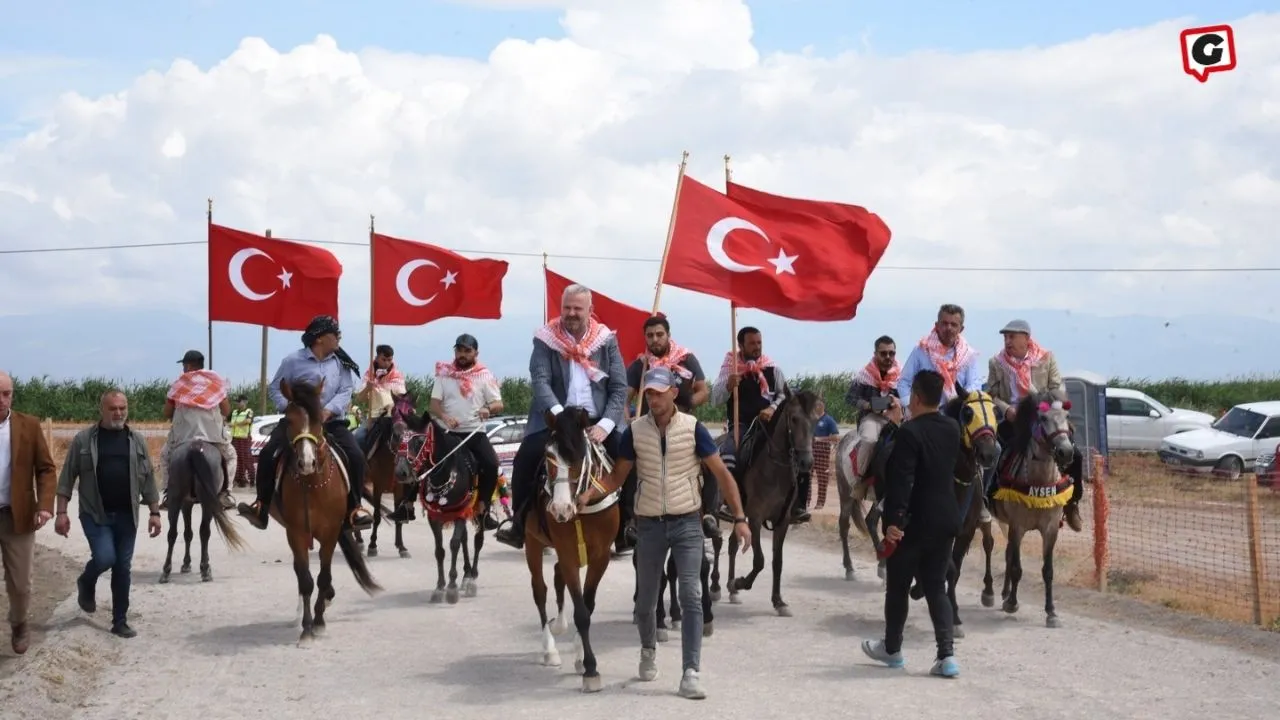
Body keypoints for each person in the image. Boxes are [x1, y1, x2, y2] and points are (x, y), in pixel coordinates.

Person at [576, 367, 751, 700]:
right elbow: (616, 478)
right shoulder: (634, 432)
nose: (654, 398)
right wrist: (589, 494)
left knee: (689, 593)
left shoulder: (694, 429)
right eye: (650, 393)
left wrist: (740, 518)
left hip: (687, 522)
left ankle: (690, 672)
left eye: (659, 392)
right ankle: (647, 649)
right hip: (650, 524)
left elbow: (722, 476)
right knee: (645, 602)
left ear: (673, 393)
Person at [494, 284, 628, 550]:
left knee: (629, 458)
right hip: (555, 417)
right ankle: (519, 525)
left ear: (591, 310)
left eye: (578, 308)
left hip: (597, 420)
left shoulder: (607, 340)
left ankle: (628, 527)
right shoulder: (545, 339)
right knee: (525, 459)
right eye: (566, 307)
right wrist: (559, 419)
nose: (571, 313)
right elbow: (540, 381)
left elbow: (619, 387)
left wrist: (605, 425)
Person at [860, 369, 962, 678]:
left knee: (898, 586)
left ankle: (893, 650)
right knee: (936, 587)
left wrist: (893, 521)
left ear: (915, 398)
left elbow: (903, 480)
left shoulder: (909, 433)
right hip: (946, 518)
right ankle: (946, 657)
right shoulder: (953, 428)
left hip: (913, 522)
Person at [237, 315, 374, 531]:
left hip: (331, 421)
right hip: (298, 422)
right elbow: (275, 388)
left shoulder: (341, 362)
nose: (339, 338)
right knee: (268, 453)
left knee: (356, 456)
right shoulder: (292, 361)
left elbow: (346, 390)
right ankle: (261, 507)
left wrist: (328, 411)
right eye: (334, 334)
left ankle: (354, 509)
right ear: (319, 338)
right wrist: (291, 409)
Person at [55, 389, 163, 639]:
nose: (118, 413)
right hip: (95, 513)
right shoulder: (84, 440)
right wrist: (61, 512)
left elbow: (148, 480)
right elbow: (66, 478)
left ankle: (119, 621)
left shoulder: (137, 441)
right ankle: (87, 580)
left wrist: (155, 513)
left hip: (128, 515)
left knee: (123, 567)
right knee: (105, 558)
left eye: (122, 408)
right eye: (113, 408)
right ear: (102, 410)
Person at [625, 314, 718, 540]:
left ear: (668, 335)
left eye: (659, 334)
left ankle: (709, 514)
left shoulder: (686, 359)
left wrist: (684, 404)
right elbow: (624, 398)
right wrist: (628, 417)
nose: (655, 339)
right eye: (650, 336)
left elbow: (703, 391)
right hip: (650, 426)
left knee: (712, 464)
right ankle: (630, 521)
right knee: (627, 466)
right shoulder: (640, 365)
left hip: (684, 425)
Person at [984, 319, 1083, 531]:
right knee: (997, 452)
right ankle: (989, 499)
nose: (1007, 341)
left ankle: (1072, 503)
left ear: (1026, 339)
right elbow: (991, 394)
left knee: (1075, 453)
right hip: (1012, 419)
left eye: (1012, 337)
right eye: (1005, 337)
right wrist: (1006, 409)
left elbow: (1057, 389)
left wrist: (1039, 401)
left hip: (1044, 417)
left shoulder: (1046, 358)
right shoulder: (996, 362)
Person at [709, 326, 808, 523]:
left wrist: (772, 408)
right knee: (730, 452)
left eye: (759, 343)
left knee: (801, 452)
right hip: (742, 425)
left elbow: (783, 394)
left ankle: (798, 505)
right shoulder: (731, 369)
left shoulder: (772, 368)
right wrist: (729, 385)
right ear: (740, 346)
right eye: (752, 343)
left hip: (771, 425)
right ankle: (730, 503)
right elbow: (714, 400)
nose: (757, 347)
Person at [411, 333, 503, 523]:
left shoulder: (485, 376)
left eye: (467, 351)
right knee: (418, 457)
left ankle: (483, 509)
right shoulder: (444, 374)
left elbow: (498, 404)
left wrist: (488, 409)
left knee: (491, 464)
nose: (462, 354)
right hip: (447, 433)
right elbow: (434, 404)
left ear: (476, 352)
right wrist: (444, 416)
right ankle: (406, 503)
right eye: (459, 350)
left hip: (474, 432)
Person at [0, 370, 58, 654]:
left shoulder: (29, 426)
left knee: (21, 584)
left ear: (12, 395)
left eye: (6, 393)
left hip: (17, 516)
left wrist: (45, 505)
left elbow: (46, 468)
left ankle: (20, 623)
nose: (1, 399)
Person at [159, 350, 236, 511]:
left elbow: (167, 413)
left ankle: (169, 493)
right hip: (212, 437)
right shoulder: (215, 382)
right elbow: (226, 411)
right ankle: (225, 494)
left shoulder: (179, 384)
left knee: (165, 456)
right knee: (230, 456)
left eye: (184, 366)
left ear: (188, 365)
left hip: (183, 437)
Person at [897, 304, 983, 412]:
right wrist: (911, 407)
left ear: (961, 329)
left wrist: (957, 403)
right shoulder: (922, 350)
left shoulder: (968, 355)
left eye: (954, 325)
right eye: (945, 323)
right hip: (925, 415)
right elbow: (904, 382)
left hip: (957, 415)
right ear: (937, 325)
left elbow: (974, 385)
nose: (949, 328)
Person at [844, 335, 902, 486]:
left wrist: (895, 403)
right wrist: (869, 405)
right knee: (870, 440)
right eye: (883, 353)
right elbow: (850, 398)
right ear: (875, 354)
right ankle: (860, 479)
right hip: (871, 418)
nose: (888, 357)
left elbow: (908, 398)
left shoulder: (902, 376)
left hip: (897, 417)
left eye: (891, 353)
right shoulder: (864, 375)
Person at [354, 344, 406, 451]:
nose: (387, 363)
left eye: (389, 360)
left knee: (408, 438)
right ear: (377, 358)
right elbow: (360, 399)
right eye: (384, 359)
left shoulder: (397, 375)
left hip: (392, 418)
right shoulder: (369, 375)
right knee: (358, 438)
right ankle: (360, 466)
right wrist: (367, 388)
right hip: (373, 418)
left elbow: (402, 397)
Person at [228, 395, 255, 487]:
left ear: (245, 402)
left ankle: (252, 479)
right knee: (236, 459)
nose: (237, 403)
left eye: (239, 402)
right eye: (237, 402)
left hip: (244, 438)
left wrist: (235, 424)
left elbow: (248, 421)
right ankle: (239, 480)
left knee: (246, 459)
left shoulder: (249, 411)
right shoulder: (234, 412)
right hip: (235, 438)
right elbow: (227, 421)